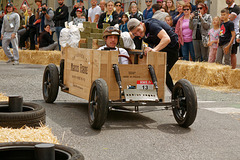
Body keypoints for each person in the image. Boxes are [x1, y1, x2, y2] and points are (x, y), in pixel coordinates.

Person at [127, 18, 178, 93]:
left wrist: (154, 50)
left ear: (141, 24)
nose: (138, 34)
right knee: (156, 72)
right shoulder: (140, 31)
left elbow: (166, 39)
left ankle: (175, 95)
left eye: (138, 30)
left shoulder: (152, 26)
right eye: (135, 33)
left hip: (172, 48)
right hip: (161, 47)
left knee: (162, 71)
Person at [226, 0, 240, 69]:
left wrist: (225, 17)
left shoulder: (236, 8)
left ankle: (233, 70)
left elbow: (231, 18)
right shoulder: (226, 8)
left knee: (232, 53)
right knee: (226, 52)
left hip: (234, 33)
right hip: (226, 33)